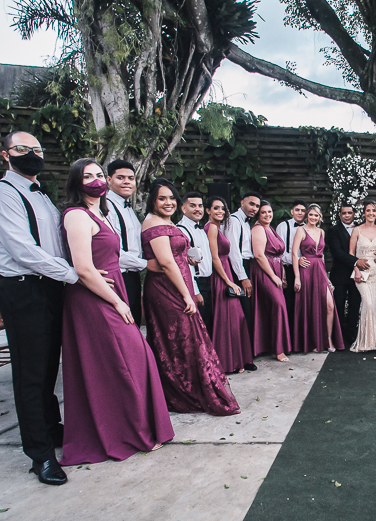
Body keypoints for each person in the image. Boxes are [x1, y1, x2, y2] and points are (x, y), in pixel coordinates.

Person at [0, 131, 79, 486]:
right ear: (6, 154)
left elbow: (58, 243)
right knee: (30, 374)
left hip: (51, 287)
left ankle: (52, 430)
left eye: (37, 149)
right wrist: (75, 275)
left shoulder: (42, 197)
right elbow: (24, 252)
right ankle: (40, 455)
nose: (32, 154)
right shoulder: (0, 195)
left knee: (49, 367)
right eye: (23, 149)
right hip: (24, 290)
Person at [58, 159, 173, 465]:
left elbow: (114, 255)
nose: (95, 180)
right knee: (130, 358)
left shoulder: (102, 212)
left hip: (113, 290)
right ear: (76, 181)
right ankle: (125, 432)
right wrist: (117, 301)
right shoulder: (76, 216)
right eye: (88, 176)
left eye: (98, 175)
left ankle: (129, 428)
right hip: (94, 299)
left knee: (126, 361)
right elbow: (83, 268)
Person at [140, 179, 240, 416]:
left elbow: (174, 255)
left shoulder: (167, 221)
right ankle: (182, 392)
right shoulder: (152, 221)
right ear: (153, 200)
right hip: (167, 291)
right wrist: (187, 294)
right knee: (178, 341)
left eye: (171, 198)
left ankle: (194, 387)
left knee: (189, 339)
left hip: (179, 285)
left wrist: (187, 260)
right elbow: (165, 262)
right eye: (162, 198)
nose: (168, 202)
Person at [204, 196, 254, 374]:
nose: (220, 212)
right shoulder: (211, 228)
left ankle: (235, 360)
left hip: (226, 271)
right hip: (220, 276)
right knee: (228, 319)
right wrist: (228, 281)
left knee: (235, 318)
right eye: (216, 208)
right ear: (208, 210)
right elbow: (215, 258)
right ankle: (225, 362)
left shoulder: (218, 228)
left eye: (223, 209)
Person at [292, 204, 345, 353]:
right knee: (309, 306)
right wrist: (297, 277)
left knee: (329, 305)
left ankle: (328, 339)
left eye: (316, 215)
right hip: (306, 271)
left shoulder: (322, 232)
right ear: (307, 215)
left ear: (320, 217)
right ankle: (312, 342)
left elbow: (321, 256)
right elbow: (294, 254)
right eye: (311, 215)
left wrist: (326, 278)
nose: (313, 217)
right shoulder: (300, 230)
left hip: (320, 271)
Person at [103, 159, 147, 326]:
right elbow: (112, 251)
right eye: (120, 177)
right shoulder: (106, 207)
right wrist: (146, 264)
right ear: (108, 180)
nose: (127, 182)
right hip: (118, 277)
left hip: (132, 276)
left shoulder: (128, 207)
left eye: (131, 178)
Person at [250, 199, 292, 361]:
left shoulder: (271, 228)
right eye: (263, 212)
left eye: (269, 211)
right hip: (263, 271)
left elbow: (278, 256)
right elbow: (259, 255)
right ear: (258, 215)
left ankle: (272, 346)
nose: (267, 215)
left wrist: (282, 274)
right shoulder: (259, 229)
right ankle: (277, 349)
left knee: (273, 307)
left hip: (275, 270)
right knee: (278, 305)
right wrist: (273, 276)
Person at [226, 192, 261, 369]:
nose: (254, 208)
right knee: (241, 314)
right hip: (238, 269)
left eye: (257, 206)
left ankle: (246, 355)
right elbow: (233, 252)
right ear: (242, 203)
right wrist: (243, 277)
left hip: (248, 267)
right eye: (251, 204)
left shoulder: (248, 223)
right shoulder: (234, 220)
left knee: (247, 313)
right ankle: (242, 359)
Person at [349, 201, 376, 351]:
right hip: (362, 272)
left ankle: (374, 341)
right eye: (368, 210)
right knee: (368, 304)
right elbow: (351, 253)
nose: (371, 213)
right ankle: (364, 341)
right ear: (364, 213)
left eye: (373, 210)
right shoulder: (357, 230)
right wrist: (356, 269)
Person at [177, 192, 213, 332]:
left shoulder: (201, 229)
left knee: (207, 323)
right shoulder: (182, 230)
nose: (198, 209)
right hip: (196, 283)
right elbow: (184, 264)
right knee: (198, 326)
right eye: (193, 206)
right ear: (183, 209)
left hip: (207, 281)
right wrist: (196, 291)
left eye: (200, 206)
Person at [327, 204, 362, 346]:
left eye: (349, 213)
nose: (347, 215)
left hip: (357, 275)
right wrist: (356, 261)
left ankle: (352, 336)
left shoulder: (360, 228)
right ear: (339, 215)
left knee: (355, 304)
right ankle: (338, 336)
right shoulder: (333, 231)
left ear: (354, 214)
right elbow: (337, 253)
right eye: (344, 213)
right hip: (340, 274)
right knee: (339, 305)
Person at [276, 201, 308, 327]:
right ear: (292, 211)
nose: (300, 212)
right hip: (288, 269)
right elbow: (279, 253)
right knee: (289, 302)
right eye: (297, 209)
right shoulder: (283, 226)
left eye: (303, 210)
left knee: (303, 304)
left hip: (306, 270)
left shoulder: (309, 227)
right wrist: (296, 259)